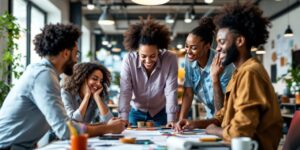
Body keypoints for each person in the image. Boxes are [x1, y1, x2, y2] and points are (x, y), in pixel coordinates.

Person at [174, 2, 282, 150]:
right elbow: (222, 115)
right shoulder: (240, 72)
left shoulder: (250, 73)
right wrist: (194, 123)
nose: (217, 48)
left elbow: (239, 134)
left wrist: (213, 130)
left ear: (240, 41)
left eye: (222, 42)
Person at [0, 23, 125, 150]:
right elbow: (66, 130)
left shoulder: (45, 73)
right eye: (76, 54)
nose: (76, 60)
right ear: (66, 53)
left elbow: (70, 124)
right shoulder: (44, 75)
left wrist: (106, 126)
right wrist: (108, 128)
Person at [118, 17, 178, 127]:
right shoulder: (129, 60)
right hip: (136, 112)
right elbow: (125, 91)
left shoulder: (170, 59)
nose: (148, 61)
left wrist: (171, 118)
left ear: (159, 50)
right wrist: (123, 118)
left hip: (161, 113)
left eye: (153, 56)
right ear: (137, 50)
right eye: (143, 56)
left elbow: (171, 90)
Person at [178, 17, 234, 120]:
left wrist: (215, 78)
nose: (188, 52)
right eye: (187, 46)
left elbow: (222, 108)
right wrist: (181, 122)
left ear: (207, 46)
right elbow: (188, 93)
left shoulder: (224, 64)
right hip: (211, 117)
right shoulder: (189, 60)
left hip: (229, 116)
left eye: (194, 48)